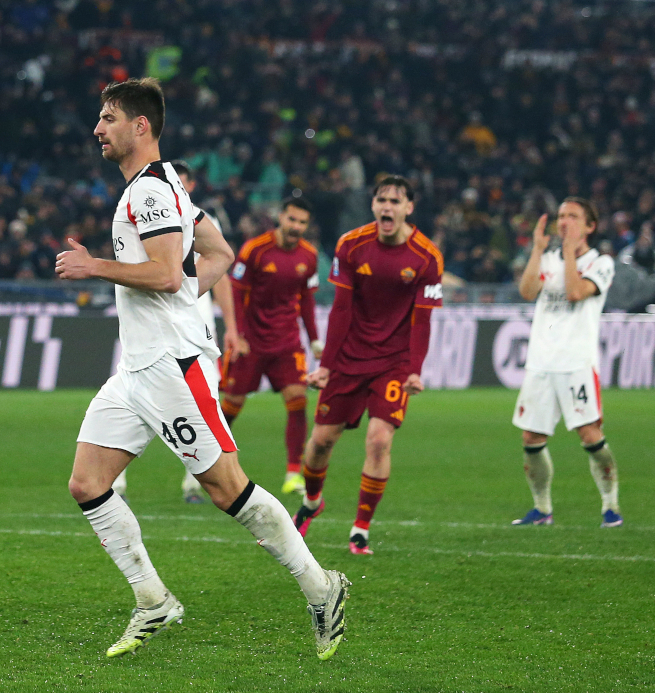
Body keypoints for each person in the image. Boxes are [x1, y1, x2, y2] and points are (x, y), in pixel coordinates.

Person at [57, 78, 349, 660]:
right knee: (88, 483)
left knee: (226, 490)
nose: (98, 128)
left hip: (172, 366)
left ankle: (322, 587)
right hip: (138, 368)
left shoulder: (151, 193)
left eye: (109, 118)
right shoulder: (168, 190)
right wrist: (189, 294)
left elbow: (167, 273)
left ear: (141, 126)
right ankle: (153, 600)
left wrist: (96, 267)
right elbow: (220, 254)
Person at [293, 174, 443, 555]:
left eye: (395, 201)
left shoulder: (427, 257)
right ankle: (312, 501)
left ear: (409, 207)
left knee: (378, 441)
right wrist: (326, 365)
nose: (387, 207)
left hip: (392, 363)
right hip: (347, 359)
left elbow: (422, 320)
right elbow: (341, 309)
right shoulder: (351, 245)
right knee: (321, 442)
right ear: (373, 205)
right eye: (381, 200)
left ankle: (360, 528)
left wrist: (414, 369)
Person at [111, 159, 239, 504]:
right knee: (139, 404)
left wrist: (231, 325)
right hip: (154, 328)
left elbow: (222, 266)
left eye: (180, 183)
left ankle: (196, 485)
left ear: (189, 186)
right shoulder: (146, 207)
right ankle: (116, 482)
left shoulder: (197, 217)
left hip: (195, 327)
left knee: (206, 404)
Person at [511, 198, 622, 528]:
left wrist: (571, 254)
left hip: (577, 363)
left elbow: (574, 292)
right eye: (560, 216)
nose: (564, 222)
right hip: (541, 362)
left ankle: (610, 506)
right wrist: (536, 249)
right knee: (531, 438)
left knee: (590, 435)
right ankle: (542, 509)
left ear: (590, 226)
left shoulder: (601, 263)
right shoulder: (546, 259)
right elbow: (528, 291)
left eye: (573, 217)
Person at [221, 196, 323, 496]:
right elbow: (237, 294)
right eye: (292, 220)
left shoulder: (309, 256)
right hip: (250, 342)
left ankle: (294, 473)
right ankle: (205, 462)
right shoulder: (255, 249)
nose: (296, 227)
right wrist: (236, 334)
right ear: (281, 217)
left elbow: (306, 300)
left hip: (287, 342)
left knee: (298, 401)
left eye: (302, 222)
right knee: (231, 406)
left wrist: (314, 338)